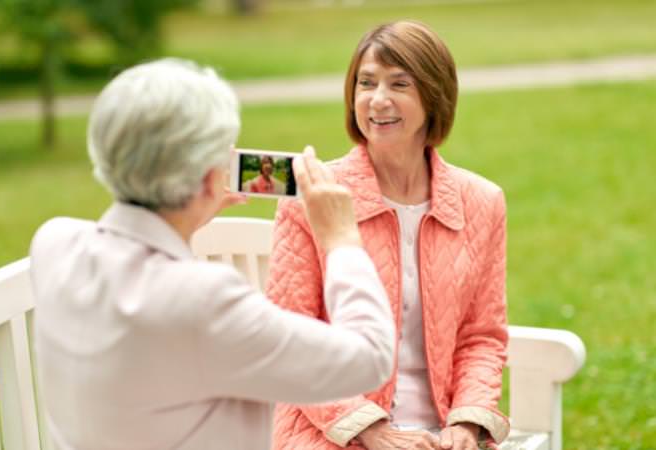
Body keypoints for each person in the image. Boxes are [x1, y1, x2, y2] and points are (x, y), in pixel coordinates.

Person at [29, 58, 396, 450]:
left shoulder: (54, 243)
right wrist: (340, 236)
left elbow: (141, 271)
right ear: (207, 178)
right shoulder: (205, 302)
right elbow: (370, 357)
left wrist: (190, 211)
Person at [268, 20, 509, 450]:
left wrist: (466, 424)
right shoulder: (315, 195)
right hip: (332, 430)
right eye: (366, 83)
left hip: (444, 434)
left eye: (399, 84)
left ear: (434, 95)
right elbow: (290, 337)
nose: (378, 101)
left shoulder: (482, 201)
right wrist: (371, 430)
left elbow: (481, 336)